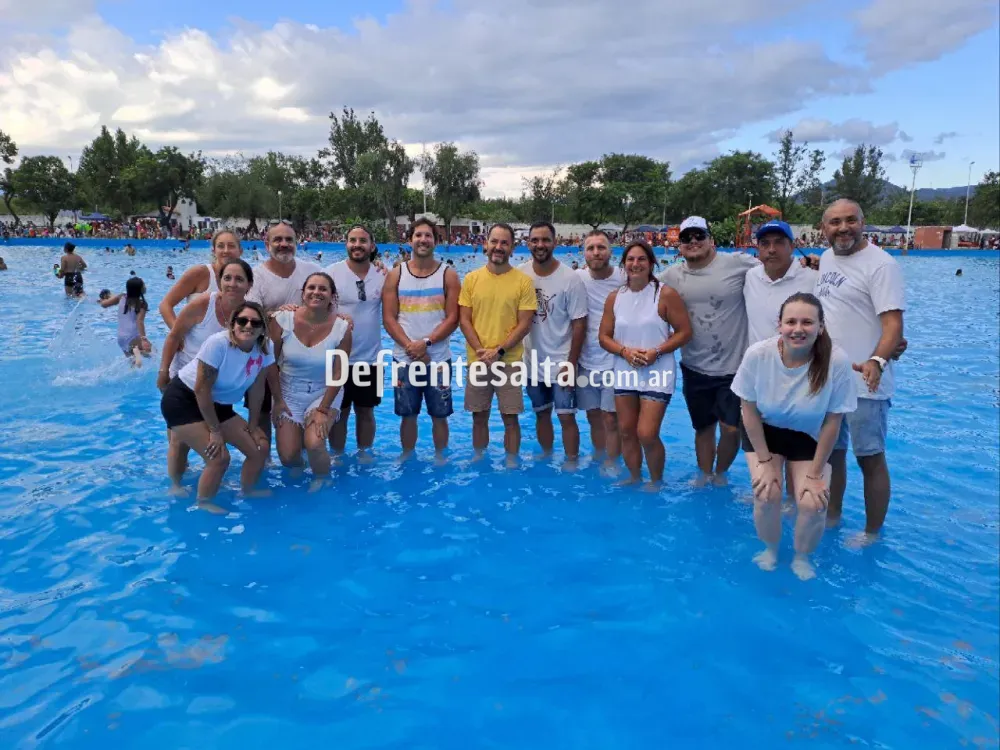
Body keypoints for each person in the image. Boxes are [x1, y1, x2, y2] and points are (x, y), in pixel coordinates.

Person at [732, 292, 857, 580]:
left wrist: (815, 475)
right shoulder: (758, 355)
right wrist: (765, 462)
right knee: (767, 494)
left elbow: (833, 421)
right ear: (779, 325)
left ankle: (802, 557)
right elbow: (747, 410)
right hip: (764, 433)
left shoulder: (836, 361)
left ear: (821, 327)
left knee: (813, 503)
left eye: (807, 322)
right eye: (790, 322)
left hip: (809, 436)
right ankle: (770, 550)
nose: (798, 329)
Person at [815, 199, 906, 545]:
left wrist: (877, 360)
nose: (843, 228)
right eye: (835, 222)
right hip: (829, 380)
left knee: (870, 458)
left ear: (863, 223)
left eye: (850, 220)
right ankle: (832, 516)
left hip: (866, 382)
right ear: (824, 228)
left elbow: (893, 325)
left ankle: (871, 533)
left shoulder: (881, 265)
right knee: (832, 454)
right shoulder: (826, 258)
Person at [659, 216, 759, 486]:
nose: (693, 241)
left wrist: (810, 265)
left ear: (711, 239)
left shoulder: (737, 263)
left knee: (731, 429)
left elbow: (774, 271)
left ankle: (720, 473)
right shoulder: (671, 276)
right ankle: (705, 475)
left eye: (699, 236)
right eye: (686, 238)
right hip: (694, 366)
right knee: (703, 428)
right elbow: (641, 291)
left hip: (734, 368)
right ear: (679, 245)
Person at [159, 301, 274, 512]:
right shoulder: (218, 344)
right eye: (242, 321)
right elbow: (201, 389)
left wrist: (253, 425)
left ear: (263, 328)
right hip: (184, 401)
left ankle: (247, 490)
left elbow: (258, 389)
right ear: (233, 324)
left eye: (255, 323)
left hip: (218, 404)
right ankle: (203, 502)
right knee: (219, 458)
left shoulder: (265, 348)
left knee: (259, 447)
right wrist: (215, 431)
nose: (248, 326)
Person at [599, 240, 692, 488]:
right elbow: (604, 337)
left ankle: (656, 481)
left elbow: (684, 332)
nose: (635, 264)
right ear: (623, 264)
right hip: (625, 369)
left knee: (647, 433)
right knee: (626, 431)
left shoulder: (665, 294)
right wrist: (625, 352)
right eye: (630, 259)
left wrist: (656, 351)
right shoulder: (615, 298)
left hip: (657, 371)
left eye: (641, 259)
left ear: (651, 263)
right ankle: (634, 477)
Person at [158, 259, 254, 486]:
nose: (232, 284)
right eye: (227, 278)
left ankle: (208, 478)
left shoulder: (249, 314)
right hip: (186, 382)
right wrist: (163, 371)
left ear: (249, 284)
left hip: (216, 390)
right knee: (179, 441)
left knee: (213, 448)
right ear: (219, 281)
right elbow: (174, 335)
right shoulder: (203, 303)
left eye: (239, 279)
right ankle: (176, 485)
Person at [457, 223, 537, 466]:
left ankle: (511, 462)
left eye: (504, 243)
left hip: (509, 361)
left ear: (512, 248)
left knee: (510, 418)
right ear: (486, 244)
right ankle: (479, 458)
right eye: (494, 241)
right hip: (478, 360)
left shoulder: (523, 282)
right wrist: (481, 351)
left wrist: (499, 351)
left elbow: (525, 324)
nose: (498, 247)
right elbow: (464, 319)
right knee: (478, 416)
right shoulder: (471, 279)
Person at [382, 217, 460, 462]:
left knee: (440, 415)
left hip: (438, 360)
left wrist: (425, 344)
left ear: (436, 241)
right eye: (418, 235)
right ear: (410, 240)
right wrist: (411, 347)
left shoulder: (448, 275)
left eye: (428, 236)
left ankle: (440, 458)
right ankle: (408, 456)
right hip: (404, 359)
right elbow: (389, 318)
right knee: (408, 415)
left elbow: (453, 318)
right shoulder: (396, 275)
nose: (423, 240)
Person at [269, 272, 351, 488]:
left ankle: (323, 480)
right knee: (288, 457)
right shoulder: (282, 320)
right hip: (288, 391)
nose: (317, 292)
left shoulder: (342, 328)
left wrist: (323, 410)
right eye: (311, 288)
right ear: (303, 293)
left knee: (314, 443)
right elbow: (270, 365)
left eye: (323, 289)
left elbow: (339, 374)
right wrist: (277, 400)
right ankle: (304, 465)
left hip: (324, 392)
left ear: (332, 296)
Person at [246, 222, 323, 452]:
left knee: (301, 412)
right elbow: (250, 316)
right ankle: (264, 457)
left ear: (296, 243)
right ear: (266, 244)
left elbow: (329, 302)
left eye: (289, 240)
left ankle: (301, 455)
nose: (284, 244)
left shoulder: (312, 271)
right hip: (264, 356)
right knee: (261, 411)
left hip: (301, 360)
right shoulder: (256, 276)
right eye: (277, 239)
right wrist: (278, 313)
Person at [516, 221, 588, 466]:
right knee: (541, 414)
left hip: (561, 363)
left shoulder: (570, 279)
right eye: (535, 240)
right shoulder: (521, 275)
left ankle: (571, 462)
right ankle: (546, 458)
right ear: (528, 243)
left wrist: (571, 364)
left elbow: (580, 324)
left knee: (567, 417)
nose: (540, 245)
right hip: (532, 363)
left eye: (546, 240)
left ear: (555, 243)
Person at [326, 225, 387, 461]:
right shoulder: (331, 273)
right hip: (337, 358)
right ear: (346, 244)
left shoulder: (382, 274)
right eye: (352, 240)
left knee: (366, 411)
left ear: (372, 246)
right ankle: (337, 456)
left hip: (370, 359)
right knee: (338, 412)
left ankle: (364, 454)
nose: (357, 245)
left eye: (362, 241)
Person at [576, 230, 627, 470]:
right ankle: (599, 456)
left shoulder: (625, 277)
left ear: (611, 251)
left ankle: (612, 462)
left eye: (601, 247)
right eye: (591, 248)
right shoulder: (577, 278)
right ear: (584, 253)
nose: (596, 252)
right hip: (586, 360)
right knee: (593, 416)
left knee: (611, 418)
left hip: (615, 361)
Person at [743, 220, 818, 346]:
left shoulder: (812, 277)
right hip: (758, 358)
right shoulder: (750, 276)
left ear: (792, 246)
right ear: (758, 248)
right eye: (765, 243)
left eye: (779, 242)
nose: (771, 250)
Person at [159, 229, 242, 327]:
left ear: (240, 251)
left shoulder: (245, 279)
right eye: (220, 246)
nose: (226, 250)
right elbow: (165, 305)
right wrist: (177, 334)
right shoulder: (200, 273)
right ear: (214, 251)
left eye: (231, 246)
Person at [99, 276, 152, 366]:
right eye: (143, 285)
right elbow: (140, 321)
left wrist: (102, 300)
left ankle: (137, 353)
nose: (145, 286)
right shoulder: (142, 304)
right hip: (133, 336)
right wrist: (143, 339)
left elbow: (104, 305)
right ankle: (137, 351)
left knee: (133, 365)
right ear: (139, 290)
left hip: (121, 338)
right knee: (153, 353)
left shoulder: (121, 297)